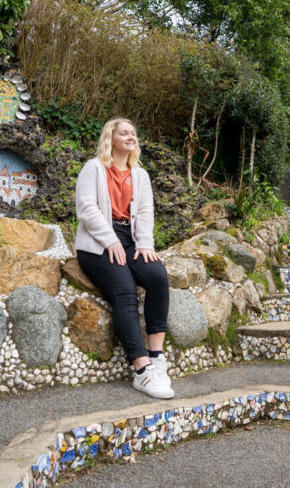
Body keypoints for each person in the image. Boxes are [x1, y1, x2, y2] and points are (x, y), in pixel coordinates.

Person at [74, 117, 174, 399]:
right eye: (125, 133)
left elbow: (144, 213)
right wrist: (109, 240)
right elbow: (86, 209)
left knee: (157, 276)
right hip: (96, 244)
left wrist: (145, 243)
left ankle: (156, 357)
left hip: (130, 240)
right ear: (111, 138)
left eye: (134, 133)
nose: (132, 137)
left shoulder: (140, 175)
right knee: (125, 289)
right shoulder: (93, 168)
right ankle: (141, 371)